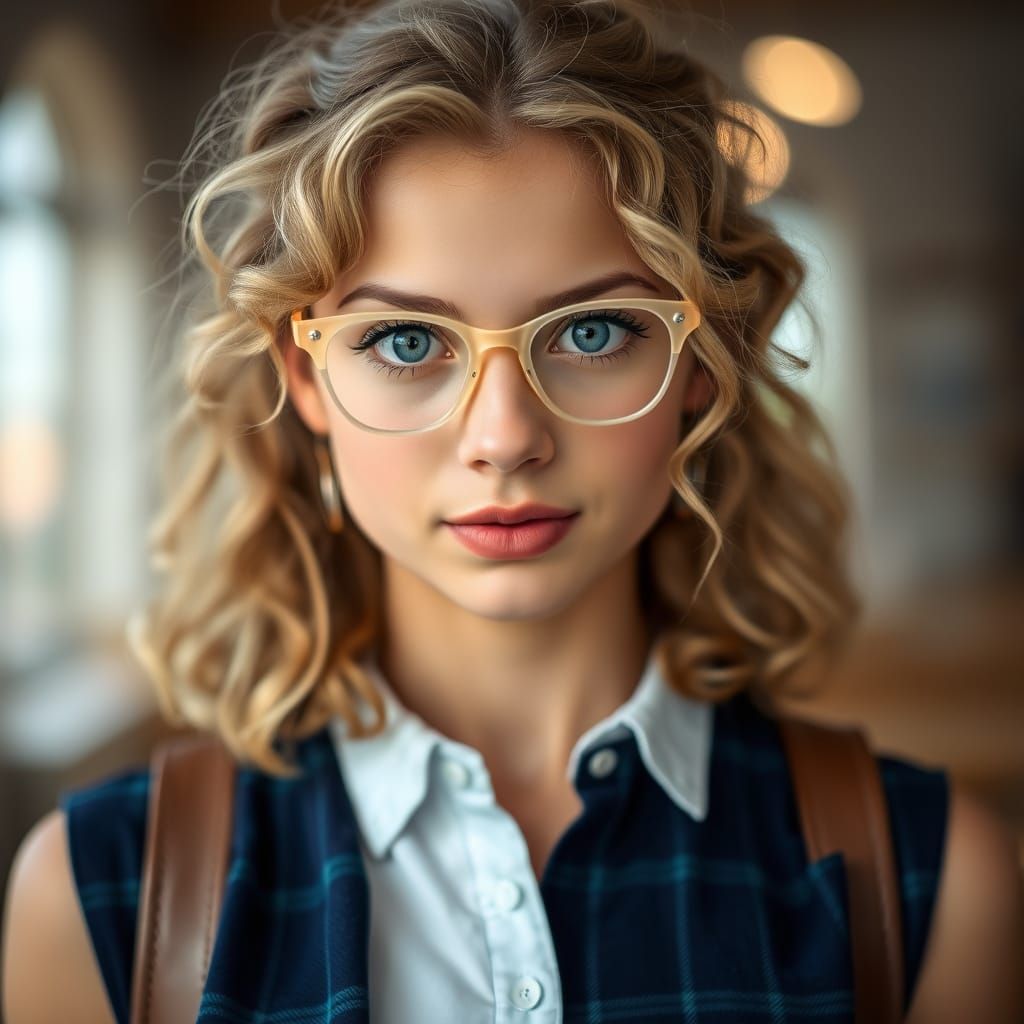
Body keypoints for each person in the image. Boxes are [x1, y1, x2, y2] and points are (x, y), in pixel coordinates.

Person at [4, 0, 1023, 1021]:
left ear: (699, 366)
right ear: (303, 379)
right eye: (405, 341)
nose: (503, 436)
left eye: (590, 332)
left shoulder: (934, 885)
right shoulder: (104, 898)